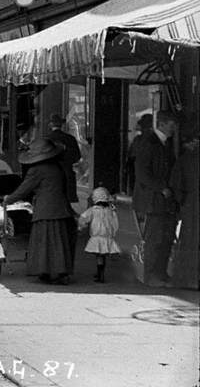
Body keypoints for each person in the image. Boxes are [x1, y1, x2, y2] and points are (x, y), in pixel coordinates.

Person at [3, 138, 75, 284]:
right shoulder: (57, 167)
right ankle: (58, 271)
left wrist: (7, 199)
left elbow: (25, 189)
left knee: (45, 241)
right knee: (58, 241)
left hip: (45, 209)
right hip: (60, 208)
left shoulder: (37, 170)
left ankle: (49, 271)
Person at [131, 111, 178, 286]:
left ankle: (161, 273)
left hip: (163, 201)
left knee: (165, 238)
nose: (173, 129)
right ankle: (150, 276)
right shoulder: (148, 143)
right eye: (171, 125)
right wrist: (161, 187)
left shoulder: (166, 143)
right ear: (163, 124)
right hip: (152, 200)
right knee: (154, 239)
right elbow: (142, 173)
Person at [169, 132, 199, 290]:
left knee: (189, 241)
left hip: (191, 205)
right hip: (192, 203)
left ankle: (188, 280)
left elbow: (176, 185)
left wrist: (183, 202)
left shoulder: (184, 160)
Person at [77, 186, 120, 283]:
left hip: (97, 237)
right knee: (103, 256)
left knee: (99, 256)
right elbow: (115, 223)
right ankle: (101, 273)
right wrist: (114, 233)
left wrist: (80, 227)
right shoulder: (111, 210)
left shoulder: (93, 210)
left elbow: (83, 218)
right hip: (107, 236)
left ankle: (100, 275)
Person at [47, 113, 82, 204]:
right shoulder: (70, 139)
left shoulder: (47, 139)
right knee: (67, 202)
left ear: (51, 125)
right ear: (61, 125)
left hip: (50, 175)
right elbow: (77, 156)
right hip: (67, 173)